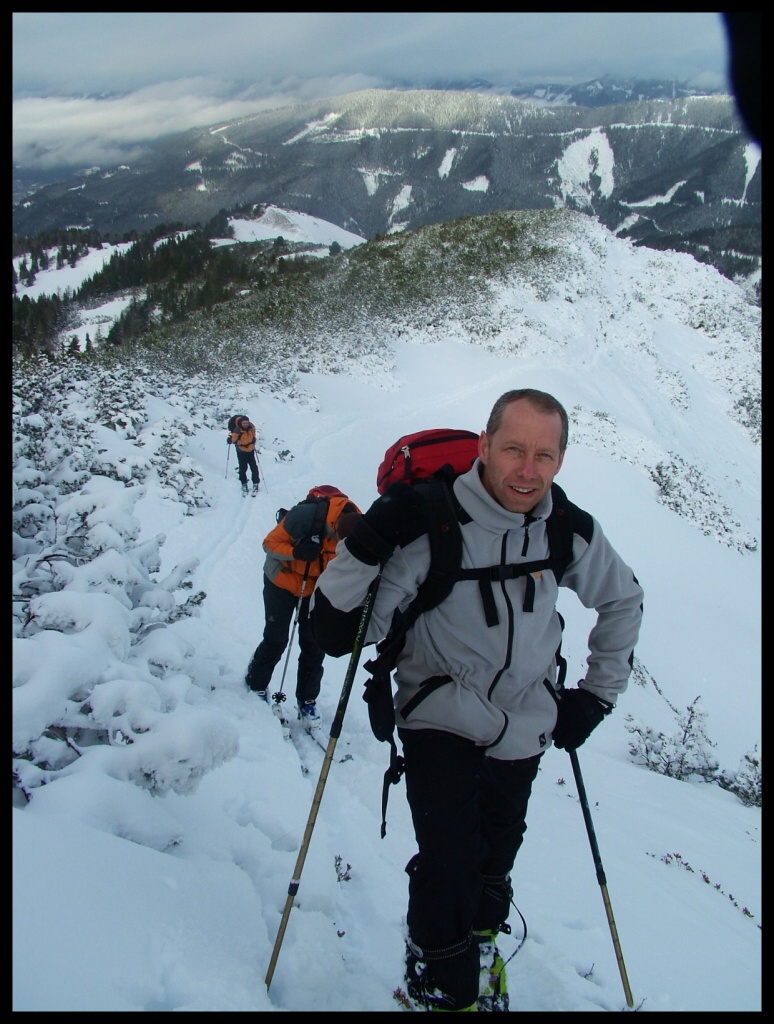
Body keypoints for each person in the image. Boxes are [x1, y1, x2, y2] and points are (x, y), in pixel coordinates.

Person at [310, 389, 644, 1011]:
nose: (528, 469)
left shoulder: (565, 528)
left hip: (526, 721)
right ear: (485, 447)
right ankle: (441, 981)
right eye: (514, 449)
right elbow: (336, 633)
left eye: (545, 454)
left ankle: (480, 944)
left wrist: (596, 698)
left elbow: (623, 598)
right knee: (450, 861)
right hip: (440, 712)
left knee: (497, 852)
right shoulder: (430, 524)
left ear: (562, 460)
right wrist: (370, 544)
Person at [245, 485, 361, 727]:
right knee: (276, 639)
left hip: (315, 589)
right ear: (334, 527)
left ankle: (307, 699)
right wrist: (297, 551)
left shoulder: (358, 528)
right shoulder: (305, 517)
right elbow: (269, 543)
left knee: (314, 644)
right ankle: (256, 683)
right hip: (280, 582)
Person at [227, 415, 260, 495]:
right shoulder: (237, 429)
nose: (245, 424)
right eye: (244, 423)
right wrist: (231, 440)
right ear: (241, 423)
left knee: (254, 467)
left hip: (250, 449)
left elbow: (253, 434)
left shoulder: (251, 427)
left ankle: (255, 483)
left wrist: (253, 439)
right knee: (243, 467)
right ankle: (244, 483)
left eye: (246, 422)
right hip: (241, 450)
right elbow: (234, 438)